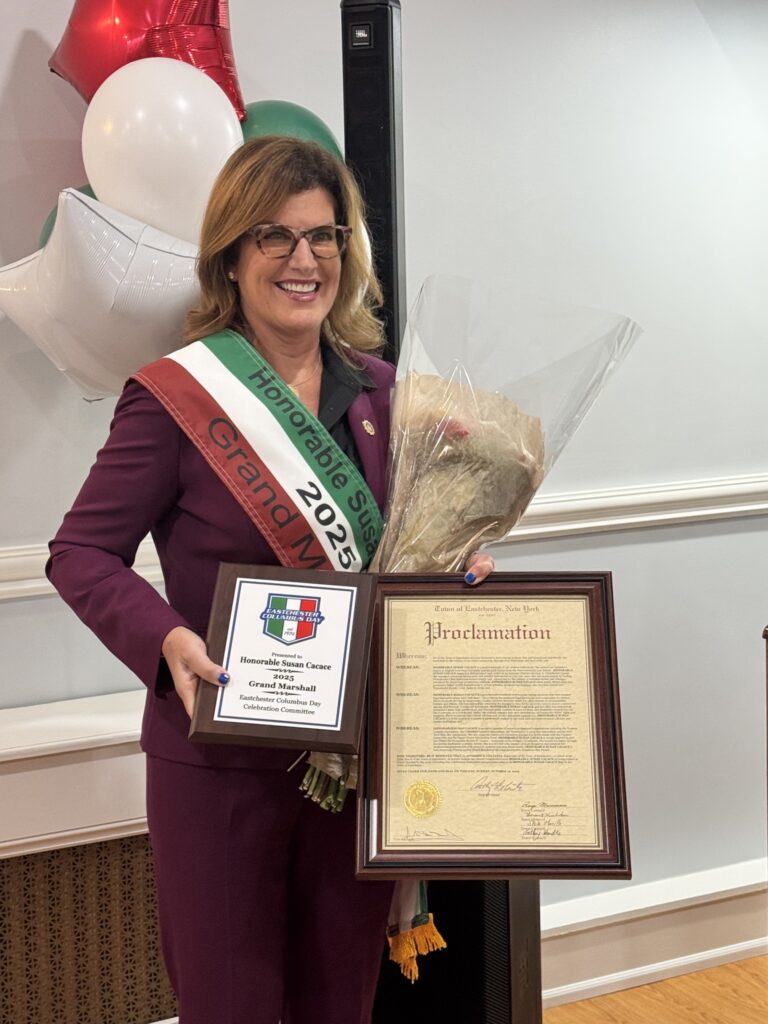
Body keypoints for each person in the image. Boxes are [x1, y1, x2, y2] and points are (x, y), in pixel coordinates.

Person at [47, 136, 493, 1024]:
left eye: (324, 236)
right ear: (231, 255)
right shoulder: (178, 396)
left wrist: (462, 566)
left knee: (340, 1005)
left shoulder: (388, 396)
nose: (303, 260)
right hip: (220, 767)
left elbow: (411, 553)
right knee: (231, 1006)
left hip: (350, 765)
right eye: (274, 237)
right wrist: (166, 639)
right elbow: (80, 552)